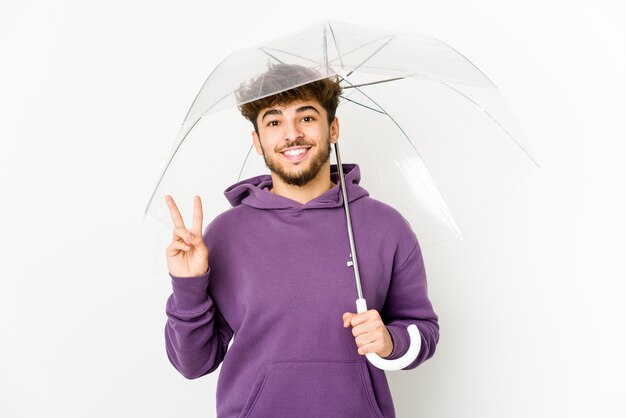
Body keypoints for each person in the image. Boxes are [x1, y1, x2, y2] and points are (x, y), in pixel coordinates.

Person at [164, 63, 439, 418]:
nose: (291, 134)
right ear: (257, 141)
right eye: (274, 122)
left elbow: (423, 330)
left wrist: (391, 341)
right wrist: (187, 286)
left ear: (333, 128)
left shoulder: (385, 226)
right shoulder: (224, 234)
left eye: (306, 118)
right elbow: (193, 364)